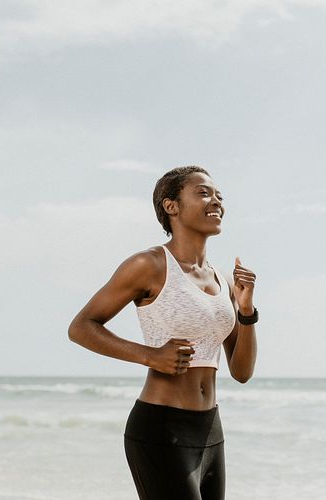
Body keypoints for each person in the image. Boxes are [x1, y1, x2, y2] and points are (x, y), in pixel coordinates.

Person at [68, 165, 258, 500]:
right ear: (172, 206)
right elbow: (82, 327)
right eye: (203, 192)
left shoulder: (222, 279)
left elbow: (241, 372)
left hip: (210, 430)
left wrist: (246, 311)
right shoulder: (150, 265)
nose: (216, 201)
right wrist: (150, 355)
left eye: (218, 195)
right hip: (161, 428)